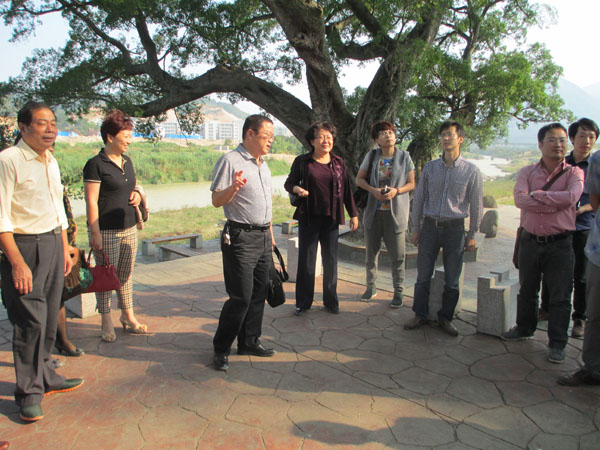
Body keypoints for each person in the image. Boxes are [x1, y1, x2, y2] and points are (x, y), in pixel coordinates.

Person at [0, 101, 83, 422]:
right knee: (30, 321)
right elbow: (2, 217)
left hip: (52, 242)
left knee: (49, 315)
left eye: (53, 123)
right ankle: (29, 393)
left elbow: (57, 209)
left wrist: (65, 247)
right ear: (23, 127)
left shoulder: (51, 160)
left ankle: (47, 376)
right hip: (24, 246)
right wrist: (17, 263)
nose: (50, 129)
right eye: (41, 123)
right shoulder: (9, 160)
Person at [501, 123, 584, 364]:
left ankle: (557, 343)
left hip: (560, 244)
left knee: (560, 296)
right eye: (552, 140)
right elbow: (520, 200)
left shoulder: (574, 173)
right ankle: (524, 328)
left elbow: (572, 197)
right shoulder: (527, 172)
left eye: (562, 140)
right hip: (529, 241)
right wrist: (554, 203)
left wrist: (538, 195)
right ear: (540, 144)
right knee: (527, 290)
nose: (559, 145)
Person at [211, 115, 277, 371]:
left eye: (272, 137)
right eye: (266, 136)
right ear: (250, 134)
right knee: (241, 297)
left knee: (260, 293)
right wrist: (234, 188)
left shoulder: (264, 164)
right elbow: (217, 200)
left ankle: (249, 341)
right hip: (240, 237)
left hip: (263, 237)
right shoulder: (230, 161)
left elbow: (266, 204)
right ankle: (221, 349)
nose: (270, 141)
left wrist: (270, 236)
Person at [404, 121, 482, 336]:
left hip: (455, 230)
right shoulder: (431, 168)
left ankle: (445, 318)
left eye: (450, 134)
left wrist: (472, 234)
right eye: (443, 135)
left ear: (460, 139)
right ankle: (420, 314)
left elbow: (476, 204)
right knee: (423, 275)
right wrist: (416, 228)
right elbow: (419, 199)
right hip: (430, 227)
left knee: (452, 279)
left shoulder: (471, 171)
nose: (445, 138)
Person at [84, 110, 147, 342]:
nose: (129, 140)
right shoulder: (95, 165)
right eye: (125, 136)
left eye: (130, 136)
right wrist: (95, 232)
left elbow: (133, 187)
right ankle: (105, 319)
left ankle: (127, 315)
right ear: (110, 136)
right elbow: (91, 201)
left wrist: (137, 196)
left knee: (125, 275)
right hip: (106, 230)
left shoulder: (127, 162)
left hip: (129, 226)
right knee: (105, 276)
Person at [285, 121, 359, 316]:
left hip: (331, 219)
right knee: (307, 262)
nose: (326, 141)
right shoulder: (302, 162)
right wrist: (297, 189)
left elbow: (347, 191)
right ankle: (303, 303)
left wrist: (353, 214)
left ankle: (331, 301)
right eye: (321, 137)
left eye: (329, 137)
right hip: (309, 218)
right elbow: (289, 183)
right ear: (312, 141)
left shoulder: (339, 163)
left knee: (331, 261)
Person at [538, 118, 598, 339]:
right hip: (559, 225)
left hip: (583, 226)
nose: (587, 141)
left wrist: (584, 208)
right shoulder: (562, 163)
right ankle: (546, 308)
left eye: (591, 136)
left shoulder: (595, 165)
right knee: (551, 269)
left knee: (581, 276)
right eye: (582, 136)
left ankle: (579, 318)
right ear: (572, 138)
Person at [355, 120, 415, 307]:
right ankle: (371, 286)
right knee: (371, 254)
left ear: (395, 136)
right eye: (382, 133)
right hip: (374, 213)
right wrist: (373, 190)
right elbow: (359, 179)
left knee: (398, 256)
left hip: (395, 215)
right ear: (376, 140)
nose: (387, 135)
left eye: (390, 132)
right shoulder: (372, 156)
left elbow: (412, 183)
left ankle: (398, 291)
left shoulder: (405, 157)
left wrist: (397, 191)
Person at [558, 147, 600, 386]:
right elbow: (595, 201)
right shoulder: (598, 160)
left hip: (589, 239)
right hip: (597, 252)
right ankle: (592, 368)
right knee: (595, 313)